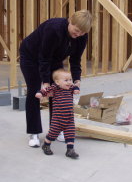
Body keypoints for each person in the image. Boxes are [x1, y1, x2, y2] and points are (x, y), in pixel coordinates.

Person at [19, 9, 92, 147]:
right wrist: (46, 83)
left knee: (60, 90)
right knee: (35, 92)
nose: (78, 35)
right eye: (76, 30)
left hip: (55, 59)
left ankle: (56, 130)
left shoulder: (82, 36)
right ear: (70, 20)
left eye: (82, 33)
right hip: (31, 56)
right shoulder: (54, 29)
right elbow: (44, 58)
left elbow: (75, 60)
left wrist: (77, 81)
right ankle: (34, 132)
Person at [35, 69, 80, 159]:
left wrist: (76, 89)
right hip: (57, 118)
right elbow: (46, 90)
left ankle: (70, 150)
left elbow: (75, 87)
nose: (69, 82)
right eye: (66, 80)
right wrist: (40, 93)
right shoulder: (55, 88)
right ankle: (46, 145)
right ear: (57, 82)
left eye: (70, 80)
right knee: (52, 133)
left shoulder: (70, 88)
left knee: (70, 133)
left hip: (69, 118)